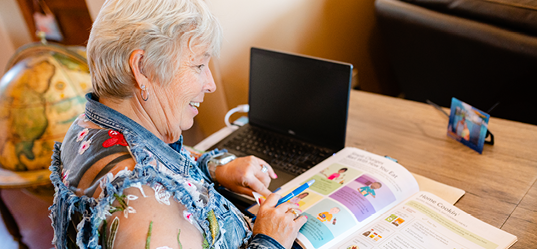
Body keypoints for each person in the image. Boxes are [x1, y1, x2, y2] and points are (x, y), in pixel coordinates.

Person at [48, 0, 307, 248]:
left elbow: (157, 160)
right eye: (198, 65)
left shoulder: (90, 125)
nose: (210, 84)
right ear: (142, 68)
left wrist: (216, 168)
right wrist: (269, 240)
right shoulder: (145, 207)